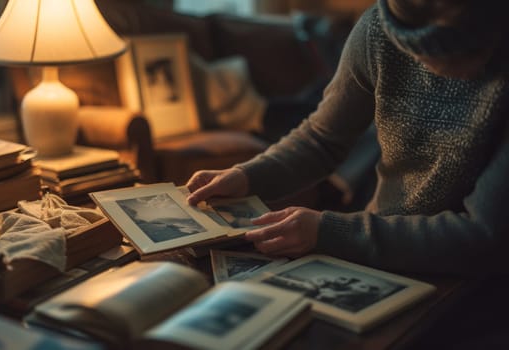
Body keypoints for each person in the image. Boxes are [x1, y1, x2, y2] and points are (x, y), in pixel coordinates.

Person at [186, 0, 509, 276]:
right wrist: (246, 176)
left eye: (463, 51)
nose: (432, 66)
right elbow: (321, 139)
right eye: (414, 52)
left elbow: (486, 235)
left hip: (475, 280)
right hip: (379, 253)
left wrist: (329, 232)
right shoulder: (377, 33)